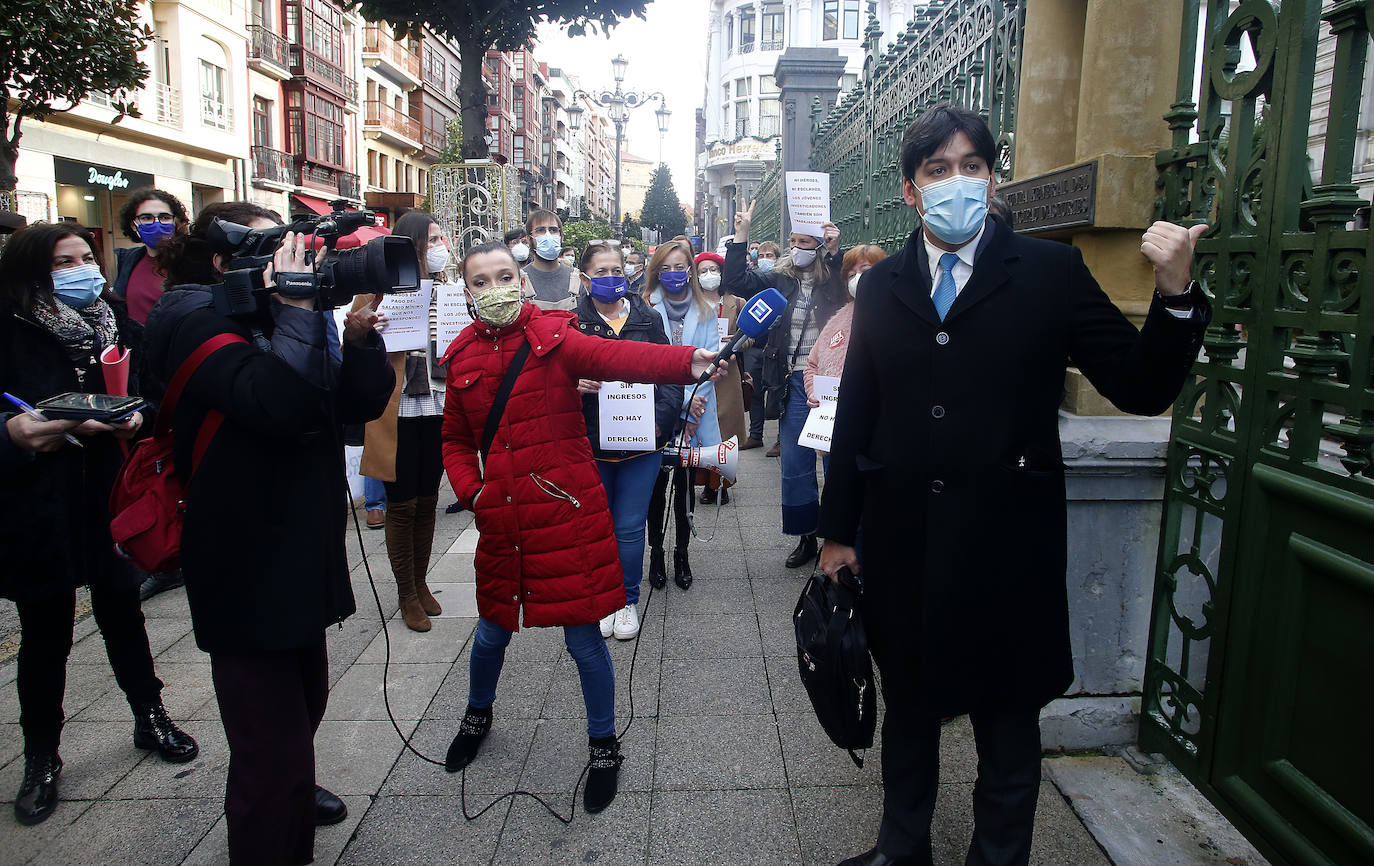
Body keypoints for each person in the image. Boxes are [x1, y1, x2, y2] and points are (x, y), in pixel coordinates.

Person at [817, 104, 1210, 866]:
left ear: (991, 178)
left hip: (1007, 545)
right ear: (910, 190)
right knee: (910, 710)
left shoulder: (1050, 272)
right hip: (906, 539)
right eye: (939, 170)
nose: (957, 182)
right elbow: (857, 412)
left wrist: (1175, 294)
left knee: (1006, 722)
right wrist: (838, 531)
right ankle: (902, 849)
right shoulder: (885, 285)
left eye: (972, 167)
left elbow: (1138, 384)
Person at [145, 201, 394, 864]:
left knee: (301, 711)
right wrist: (300, 309)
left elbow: (354, 407)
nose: (296, 261)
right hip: (240, 564)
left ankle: (292, 799)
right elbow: (276, 403)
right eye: (273, 250)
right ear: (224, 261)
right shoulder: (192, 324)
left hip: (298, 552)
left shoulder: (281, 316)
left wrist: (363, 342)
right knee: (267, 752)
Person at [438, 241, 725, 814]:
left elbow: (618, 358)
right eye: (480, 281)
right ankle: (478, 713)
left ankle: (602, 743)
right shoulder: (463, 356)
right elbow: (453, 440)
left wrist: (686, 361)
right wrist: (473, 493)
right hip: (504, 520)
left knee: (584, 639)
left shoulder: (555, 335)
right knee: (492, 630)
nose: (494, 288)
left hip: (566, 513)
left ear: (522, 282)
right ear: (466, 291)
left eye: (504, 276)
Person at [0, 223, 199, 827]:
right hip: (38, 503)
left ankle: (151, 716)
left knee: (122, 611)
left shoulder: (113, 321)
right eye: (65, 263)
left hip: (109, 492)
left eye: (88, 257)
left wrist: (135, 419)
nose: (82, 269)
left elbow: (151, 392)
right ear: (35, 272)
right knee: (46, 630)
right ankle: (42, 757)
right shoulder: (9, 327)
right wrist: (15, 435)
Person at [571, 242, 683, 641]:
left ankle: (626, 600)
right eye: (600, 272)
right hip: (592, 444)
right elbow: (553, 381)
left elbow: (670, 373)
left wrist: (660, 423)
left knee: (630, 527)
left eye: (617, 271)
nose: (610, 279)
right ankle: (602, 599)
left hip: (642, 442)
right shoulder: (573, 325)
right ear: (585, 279)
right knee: (597, 525)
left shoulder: (647, 319)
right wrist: (573, 385)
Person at [724, 208, 847, 567]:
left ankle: (838, 536)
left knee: (836, 462)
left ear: (820, 245)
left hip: (831, 380)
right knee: (795, 462)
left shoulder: (834, 279)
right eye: (792, 242)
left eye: (805, 242)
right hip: (793, 381)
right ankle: (806, 535)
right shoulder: (778, 279)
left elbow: (858, 284)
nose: (797, 248)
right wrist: (741, 236)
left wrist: (837, 251)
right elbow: (736, 281)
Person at [353, 210, 453, 632]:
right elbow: (353, 339)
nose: (439, 248)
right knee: (402, 502)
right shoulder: (376, 290)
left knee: (428, 497)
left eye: (441, 239)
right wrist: (366, 328)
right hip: (397, 406)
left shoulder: (449, 290)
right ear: (411, 244)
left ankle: (421, 581)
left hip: (438, 400)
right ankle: (405, 592)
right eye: (431, 240)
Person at [109, 188, 192, 601]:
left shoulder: (187, 259)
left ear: (178, 220)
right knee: (152, 460)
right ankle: (159, 544)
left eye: (163, 216)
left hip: (183, 365)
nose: (155, 224)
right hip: (144, 373)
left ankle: (181, 546)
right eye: (145, 218)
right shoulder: (129, 262)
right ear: (133, 225)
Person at [642, 238, 722, 590]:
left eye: (680, 266)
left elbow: (711, 363)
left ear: (689, 269)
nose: (674, 274)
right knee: (655, 488)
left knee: (685, 488)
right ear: (656, 271)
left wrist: (691, 411)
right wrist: (672, 408)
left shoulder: (706, 310)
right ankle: (656, 553)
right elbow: (641, 363)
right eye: (667, 267)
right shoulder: (644, 309)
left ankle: (682, 554)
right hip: (656, 411)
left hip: (695, 412)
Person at [804, 244, 887, 418]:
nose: (858, 278)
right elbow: (812, 365)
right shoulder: (836, 322)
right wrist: (813, 392)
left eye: (865, 270)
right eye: (851, 275)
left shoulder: (899, 316)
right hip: (832, 426)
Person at [693, 250, 748, 505]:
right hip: (700, 374)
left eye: (713, 270)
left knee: (725, 430)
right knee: (703, 426)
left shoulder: (736, 302)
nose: (708, 275)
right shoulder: (691, 303)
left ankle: (722, 484)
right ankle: (705, 482)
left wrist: (735, 344)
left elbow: (752, 335)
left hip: (728, 375)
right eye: (703, 271)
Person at [521, 209, 579, 311]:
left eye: (553, 230)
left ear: (561, 237)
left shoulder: (578, 279)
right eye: (540, 230)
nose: (548, 235)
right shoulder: (519, 281)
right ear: (529, 239)